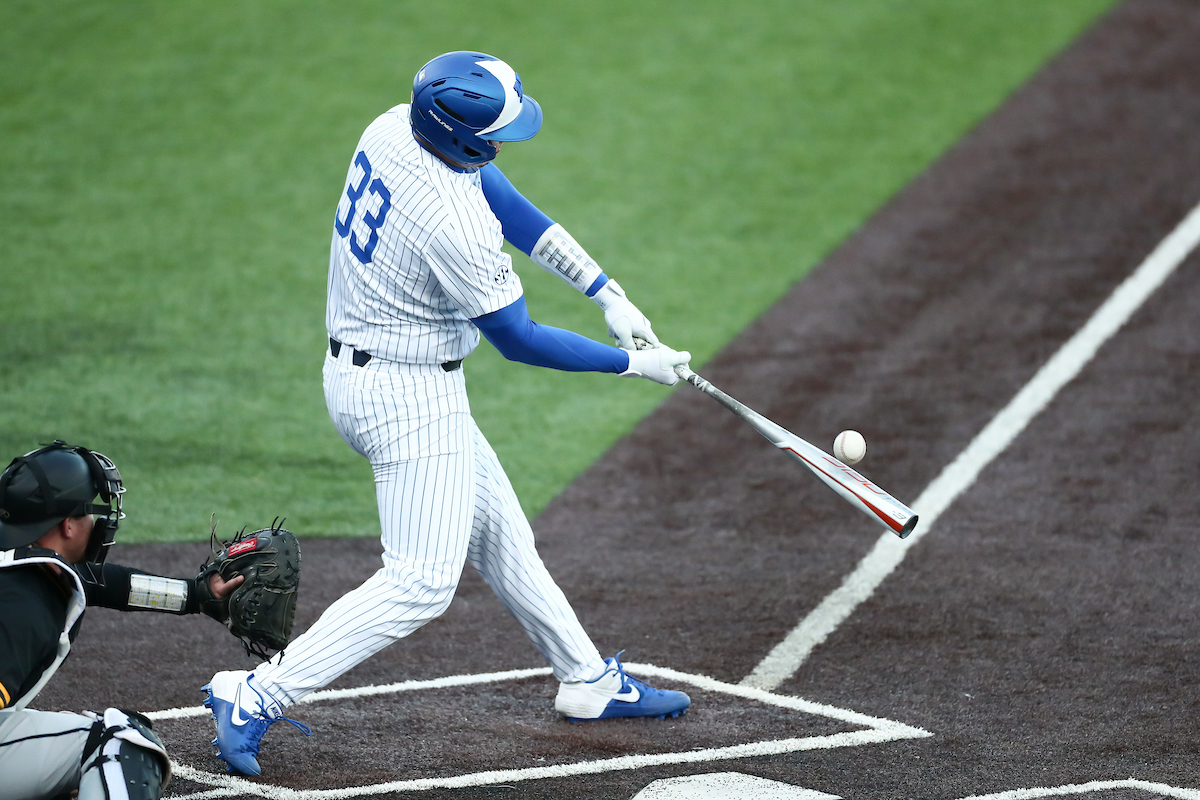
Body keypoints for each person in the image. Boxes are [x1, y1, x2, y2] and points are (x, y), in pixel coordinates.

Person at [203, 50, 693, 777]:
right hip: (407, 399)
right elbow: (520, 340)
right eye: (495, 131)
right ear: (459, 134)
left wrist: (604, 289)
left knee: (499, 534)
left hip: (369, 372)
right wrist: (632, 363)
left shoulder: (393, 128)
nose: (504, 142)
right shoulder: (452, 225)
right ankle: (255, 696)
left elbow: (500, 192)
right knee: (421, 582)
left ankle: (587, 681)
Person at [0, 440, 244, 800]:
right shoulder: (22, 604)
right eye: (89, 513)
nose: (97, 522)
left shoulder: (25, 568)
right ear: (68, 525)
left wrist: (197, 594)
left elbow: (106, 584)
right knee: (122, 743)